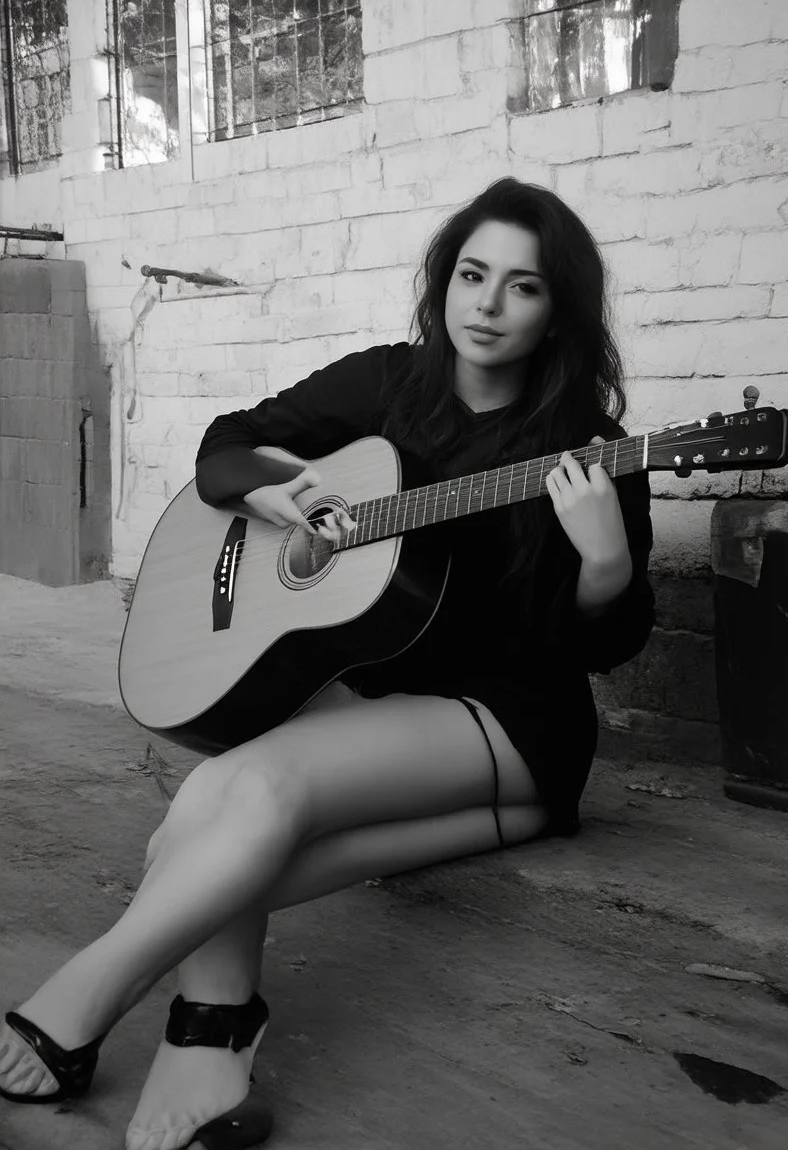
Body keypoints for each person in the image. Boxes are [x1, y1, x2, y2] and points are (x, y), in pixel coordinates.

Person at [0, 177, 654, 1150]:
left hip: (514, 722)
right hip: (385, 697)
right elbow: (228, 447)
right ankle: (213, 1042)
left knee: (249, 784)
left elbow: (606, 643)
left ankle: (86, 992)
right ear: (444, 283)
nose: (485, 304)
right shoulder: (386, 383)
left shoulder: (589, 450)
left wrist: (604, 561)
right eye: (472, 275)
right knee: (202, 826)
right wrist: (269, 491)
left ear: (558, 307)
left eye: (521, 286)